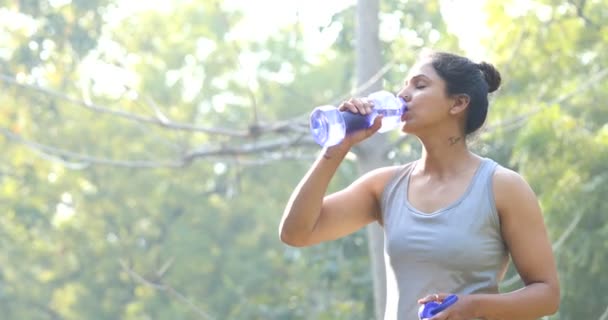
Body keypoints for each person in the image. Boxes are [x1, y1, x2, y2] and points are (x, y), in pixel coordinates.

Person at [279, 50, 560, 320]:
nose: (402, 95)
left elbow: (546, 295)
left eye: (420, 85)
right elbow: (296, 233)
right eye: (404, 86)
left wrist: (472, 307)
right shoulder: (385, 185)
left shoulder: (503, 187)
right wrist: (336, 148)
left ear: (458, 103)